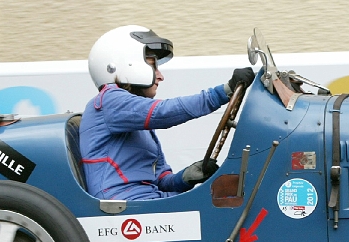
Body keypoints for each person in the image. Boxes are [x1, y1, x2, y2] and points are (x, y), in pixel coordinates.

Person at [80, 24, 254, 200]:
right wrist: (223, 92)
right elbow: (164, 112)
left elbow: (162, 181)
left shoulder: (135, 119)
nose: (160, 76)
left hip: (147, 201)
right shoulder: (110, 101)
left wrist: (187, 176)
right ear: (125, 65)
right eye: (152, 65)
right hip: (124, 207)